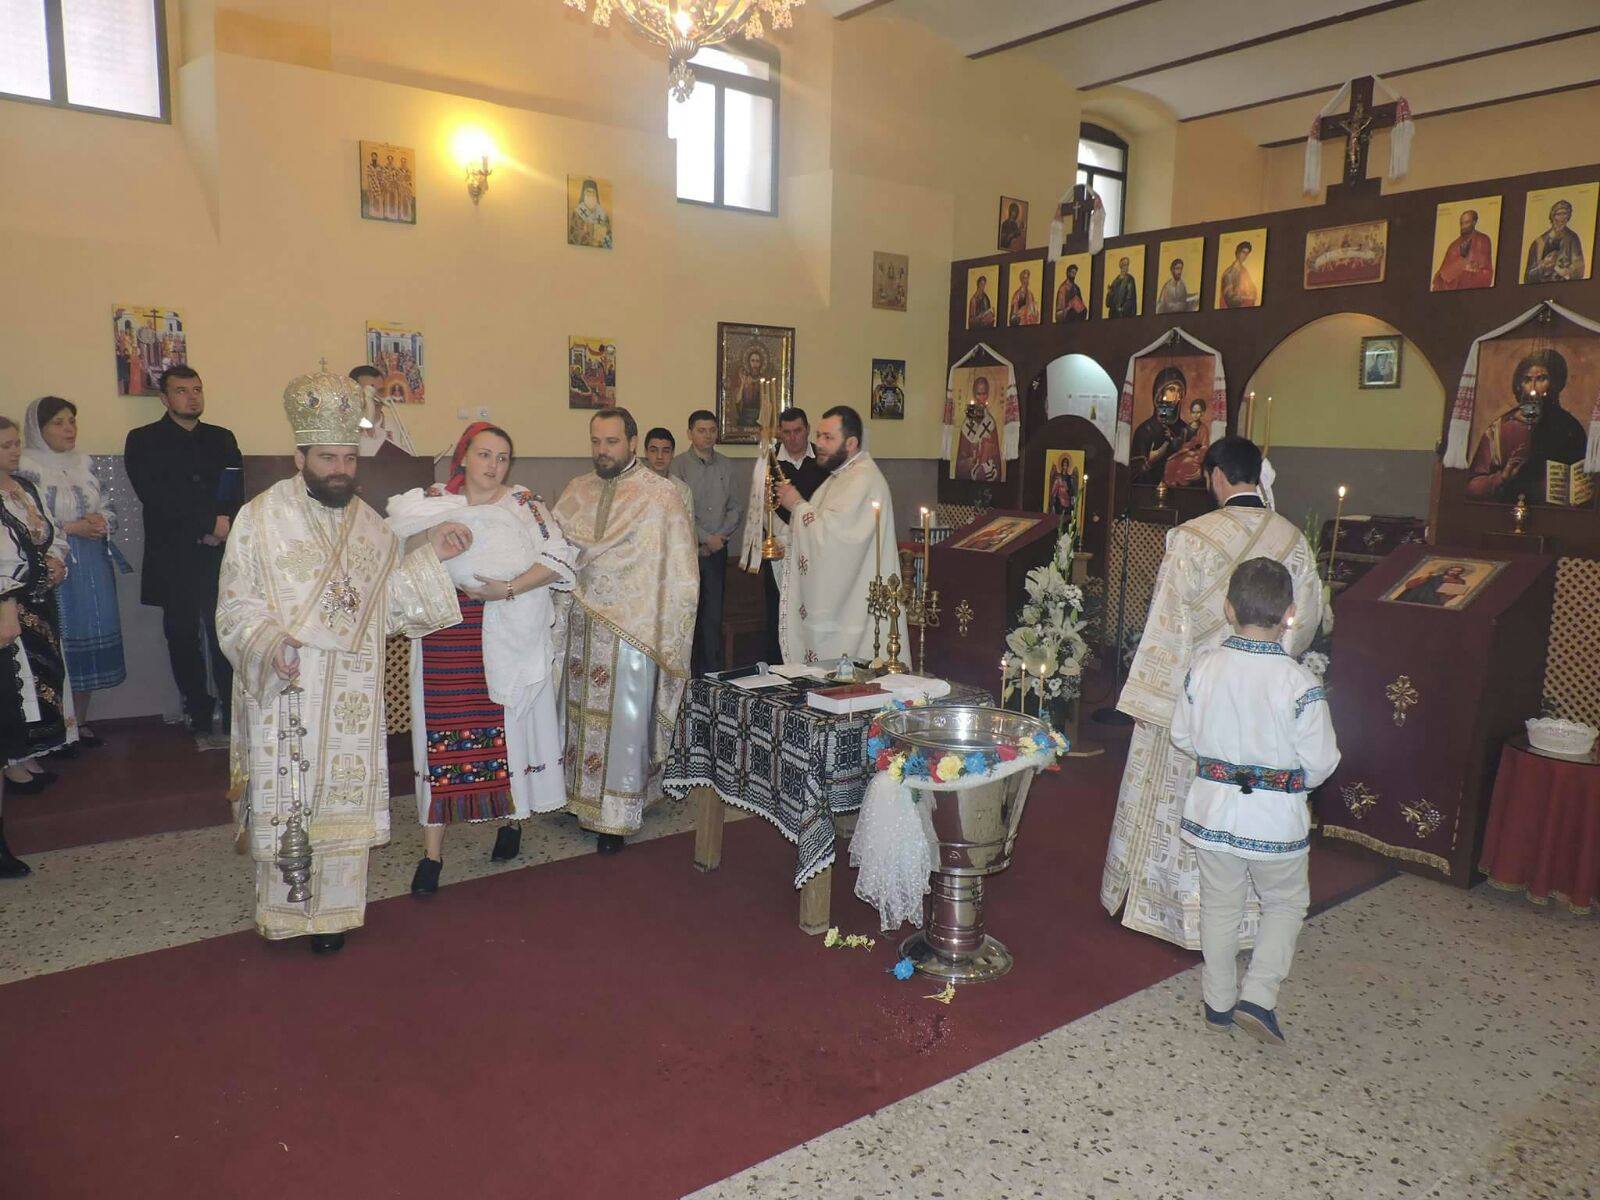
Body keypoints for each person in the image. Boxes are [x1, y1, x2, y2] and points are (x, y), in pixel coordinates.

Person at [216, 366, 467, 951]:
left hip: (351, 691)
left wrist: (434, 555)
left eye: (348, 459)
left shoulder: (371, 527)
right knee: (293, 800)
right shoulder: (260, 519)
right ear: (299, 456)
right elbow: (235, 604)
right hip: (289, 686)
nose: (341, 470)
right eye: (328, 458)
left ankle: (332, 916)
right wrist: (270, 644)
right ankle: (285, 913)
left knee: (341, 804)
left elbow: (393, 605)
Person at [1100, 436, 1322, 950]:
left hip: (1200, 693)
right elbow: (1304, 622)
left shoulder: (1189, 537)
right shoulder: (1292, 538)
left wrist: (1159, 700)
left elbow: (1166, 625)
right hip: (1266, 698)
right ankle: (1245, 922)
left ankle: (1170, 909)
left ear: (1216, 476)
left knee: (1181, 798)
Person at [387, 423, 578, 895]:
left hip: (505, 626)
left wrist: (508, 589)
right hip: (445, 633)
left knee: (506, 730)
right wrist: (437, 544)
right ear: (464, 457)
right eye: (485, 454)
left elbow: (559, 556)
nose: (493, 466)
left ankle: (511, 820)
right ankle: (431, 855)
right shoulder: (433, 502)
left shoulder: (524, 503)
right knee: (441, 737)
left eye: (502, 457)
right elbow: (398, 558)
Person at [1172, 557, 1339, 1046]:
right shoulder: (1301, 684)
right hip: (1275, 821)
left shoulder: (1202, 669)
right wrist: (1289, 786)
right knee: (1285, 902)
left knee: (1219, 907)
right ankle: (1258, 997)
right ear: (1289, 613)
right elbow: (1323, 760)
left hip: (1212, 812)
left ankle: (1218, 1002)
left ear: (1228, 608)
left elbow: (1183, 736)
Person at [551, 408, 698, 854]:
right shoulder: (577, 490)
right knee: (577, 716)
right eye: (596, 441)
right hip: (581, 625)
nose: (602, 450)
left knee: (622, 724)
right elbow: (554, 548)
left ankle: (616, 814)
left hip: (631, 631)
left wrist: (665, 626)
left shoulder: (661, 496)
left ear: (632, 442)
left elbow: (681, 572)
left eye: (611, 441)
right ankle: (576, 799)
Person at [124, 365, 243, 734]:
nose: (191, 396)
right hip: (173, 552)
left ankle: (231, 702)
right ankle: (198, 706)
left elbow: (233, 487)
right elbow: (156, 494)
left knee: (223, 631)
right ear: (164, 398)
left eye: (197, 389)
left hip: (218, 551)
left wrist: (222, 527)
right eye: (181, 390)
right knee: (181, 634)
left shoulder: (221, 437)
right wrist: (205, 525)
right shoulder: (143, 439)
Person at [19, 397, 126, 746]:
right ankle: (57, 728)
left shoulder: (84, 462)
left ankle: (79, 722)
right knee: (58, 641)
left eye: (72, 421)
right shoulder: (26, 466)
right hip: (55, 563)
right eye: (59, 423)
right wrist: (72, 528)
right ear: (39, 428)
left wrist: (100, 522)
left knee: (93, 637)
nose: (69, 429)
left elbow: (108, 506)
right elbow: (29, 521)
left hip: (92, 563)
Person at [774, 406, 907, 665]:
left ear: (851, 443)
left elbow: (836, 539)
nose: (820, 444)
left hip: (858, 607)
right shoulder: (840, 477)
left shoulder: (863, 479)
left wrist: (797, 504)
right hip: (847, 600)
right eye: (820, 436)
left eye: (828, 438)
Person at [0, 417, 74, 796]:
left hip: (40, 597)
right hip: (9, 602)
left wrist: (57, 559)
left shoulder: (26, 487)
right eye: (6, 446)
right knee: (16, 680)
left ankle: (31, 752)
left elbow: (53, 531)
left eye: (16, 444)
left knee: (44, 673)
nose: (15, 451)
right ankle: (12, 761)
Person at [739, 407, 829, 663]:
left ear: (807, 430)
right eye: (786, 432)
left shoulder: (823, 460)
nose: (792, 438)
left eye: (798, 431)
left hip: (816, 548)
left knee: (814, 610)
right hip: (781, 549)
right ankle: (780, 668)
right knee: (780, 611)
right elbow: (761, 506)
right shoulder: (769, 463)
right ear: (780, 433)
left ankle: (815, 665)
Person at [670, 411, 743, 677]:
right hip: (687, 553)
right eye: (701, 430)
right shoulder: (678, 466)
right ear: (690, 433)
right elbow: (679, 511)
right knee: (689, 618)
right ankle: (686, 678)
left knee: (712, 620)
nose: (708, 435)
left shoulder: (727, 465)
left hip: (717, 553)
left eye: (712, 430)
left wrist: (718, 538)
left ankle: (710, 680)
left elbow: (735, 507)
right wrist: (703, 538)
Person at [1465, 349, 1588, 504]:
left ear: (1555, 384)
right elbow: (1473, 487)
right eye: (1527, 380)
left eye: (1542, 378)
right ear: (1519, 385)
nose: (1534, 388)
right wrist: (1502, 477)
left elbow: (1584, 485)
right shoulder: (1500, 429)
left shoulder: (1570, 428)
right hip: (1504, 514)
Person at [1130, 367, 1189, 485]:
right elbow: (1134, 476)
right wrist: (1150, 462)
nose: (1176, 396)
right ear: (1159, 392)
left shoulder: (1184, 429)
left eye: (1179, 391)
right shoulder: (1145, 430)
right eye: (1171, 390)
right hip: (1147, 495)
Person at [1524, 199, 1586, 283]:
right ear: (1553, 216)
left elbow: (1578, 267)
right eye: (1559, 214)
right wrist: (1543, 266)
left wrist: (1563, 271)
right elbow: (1529, 275)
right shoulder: (1539, 242)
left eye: (1565, 214)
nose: (1562, 218)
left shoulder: (1572, 238)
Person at [954, 376, 1003, 482]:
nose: (981, 397)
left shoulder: (990, 424)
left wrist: (986, 458)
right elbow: (960, 462)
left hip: (987, 476)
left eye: (984, 393)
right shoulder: (966, 425)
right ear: (974, 394)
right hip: (968, 480)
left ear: (988, 394)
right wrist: (971, 460)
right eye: (978, 393)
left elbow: (996, 458)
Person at [1432, 209, 1494, 290]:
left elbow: (1484, 270)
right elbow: (1441, 275)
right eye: (1461, 223)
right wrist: (1462, 266)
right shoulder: (1454, 245)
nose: (1463, 226)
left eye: (1467, 222)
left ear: (1474, 222)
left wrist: (1465, 269)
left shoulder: (1483, 240)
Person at [644, 427, 695, 512]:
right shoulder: (632, 487)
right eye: (654, 451)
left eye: (665, 451)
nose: (659, 456)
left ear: (672, 453)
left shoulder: (682, 490)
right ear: (646, 452)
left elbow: (687, 524)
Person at [1393, 562, 1469, 607]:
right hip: (1414, 596)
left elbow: (1451, 594)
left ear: (1460, 573)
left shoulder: (1460, 581)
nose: (1454, 572)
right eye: (1452, 570)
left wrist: (1442, 600)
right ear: (1448, 570)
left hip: (1432, 600)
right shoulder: (1434, 576)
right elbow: (1409, 585)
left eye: (1457, 572)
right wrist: (1425, 577)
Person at [568, 177, 613, 248]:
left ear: (596, 195)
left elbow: (609, 238)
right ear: (583, 194)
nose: (591, 195)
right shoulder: (577, 213)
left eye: (593, 193)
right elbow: (573, 236)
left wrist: (603, 236)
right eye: (588, 192)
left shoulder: (603, 214)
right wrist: (590, 230)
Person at [1218, 241, 1259, 308]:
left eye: (1247, 253)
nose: (1245, 256)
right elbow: (1230, 299)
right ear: (1237, 252)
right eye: (1243, 252)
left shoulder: (1244, 271)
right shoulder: (1229, 273)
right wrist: (1246, 296)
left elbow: (1253, 290)